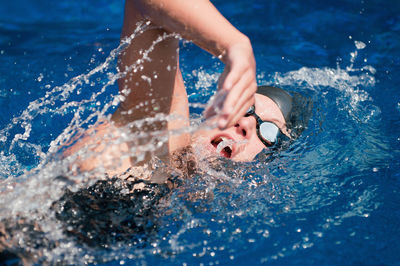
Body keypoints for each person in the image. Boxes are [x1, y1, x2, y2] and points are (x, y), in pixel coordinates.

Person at [66, 0, 298, 179]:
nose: (246, 124)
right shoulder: (153, 135)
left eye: (269, 131)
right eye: (243, 105)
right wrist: (235, 46)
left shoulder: (185, 205)